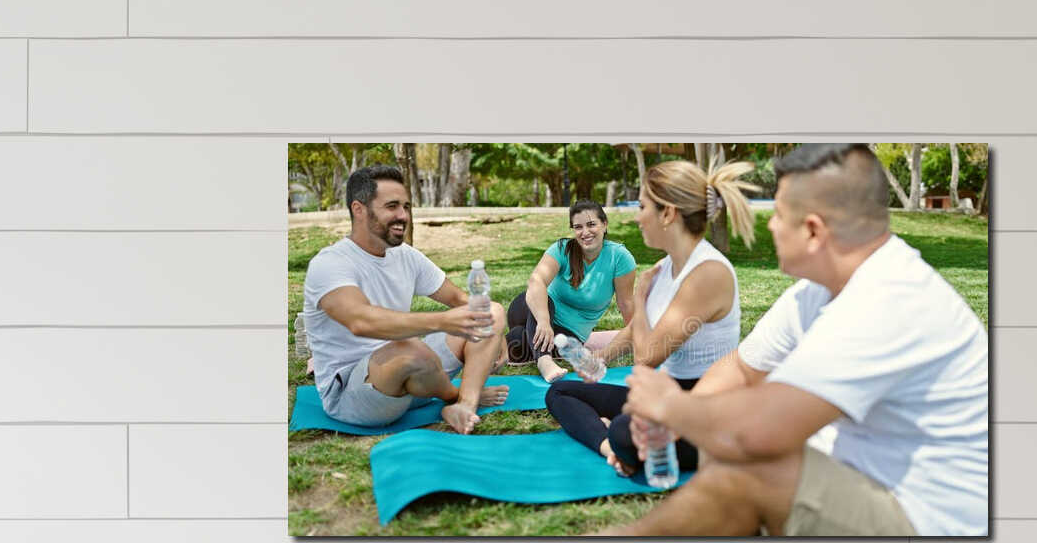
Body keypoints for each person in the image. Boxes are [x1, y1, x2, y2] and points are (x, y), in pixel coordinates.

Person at [603, 143, 988, 536]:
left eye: (779, 215)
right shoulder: (817, 290)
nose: (770, 225)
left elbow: (759, 434)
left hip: (928, 520)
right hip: (858, 479)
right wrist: (679, 420)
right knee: (724, 444)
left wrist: (673, 408)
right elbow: (739, 368)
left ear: (813, 231)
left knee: (748, 463)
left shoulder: (888, 298)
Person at [543, 158, 756, 476]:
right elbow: (635, 333)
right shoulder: (665, 266)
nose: (637, 217)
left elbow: (646, 357)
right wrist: (600, 359)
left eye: (643, 207)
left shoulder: (708, 272)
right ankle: (610, 448)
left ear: (667, 213)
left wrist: (640, 300)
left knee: (625, 429)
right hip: (666, 395)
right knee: (560, 392)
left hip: (704, 411)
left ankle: (617, 441)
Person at [299, 164, 508, 434]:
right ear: (359, 209)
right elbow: (361, 321)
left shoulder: (405, 255)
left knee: (492, 310)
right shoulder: (329, 264)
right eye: (392, 206)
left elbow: (460, 299)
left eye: (406, 207)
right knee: (410, 349)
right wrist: (443, 321)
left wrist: (494, 330)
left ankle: (465, 406)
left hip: (417, 378)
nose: (403, 215)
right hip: (355, 394)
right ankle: (453, 395)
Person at [505, 199, 638, 382]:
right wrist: (543, 321)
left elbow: (626, 303)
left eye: (591, 224)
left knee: (517, 339)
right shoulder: (562, 249)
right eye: (578, 227)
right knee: (544, 300)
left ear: (604, 224)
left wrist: (637, 337)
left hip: (567, 334)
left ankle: (515, 342)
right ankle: (544, 361)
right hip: (535, 311)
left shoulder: (619, 258)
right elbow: (537, 281)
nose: (585, 232)